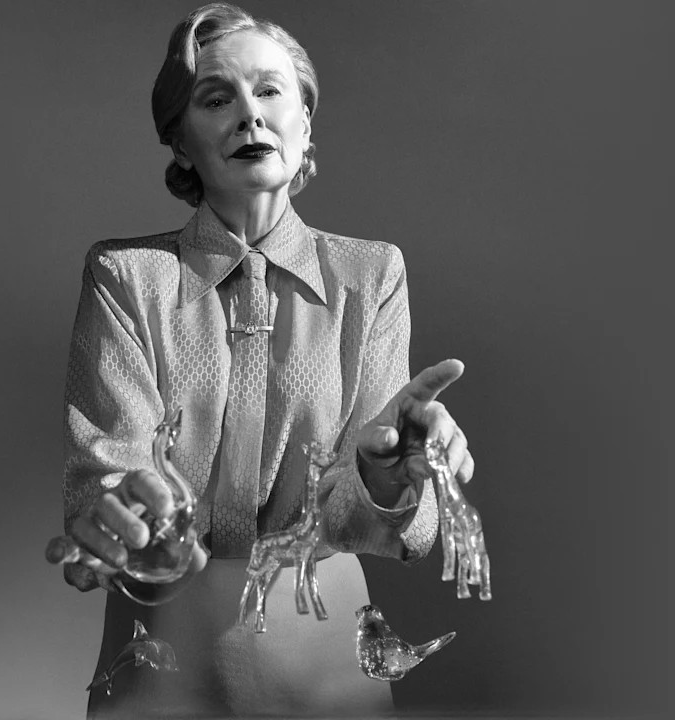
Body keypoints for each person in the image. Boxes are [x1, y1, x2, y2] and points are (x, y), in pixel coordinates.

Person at [57, 4, 475, 717]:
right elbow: (109, 472)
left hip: (326, 672)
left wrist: (385, 479)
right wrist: (122, 517)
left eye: (270, 91)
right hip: (162, 661)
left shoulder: (370, 276)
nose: (250, 113)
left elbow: (367, 520)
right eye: (217, 98)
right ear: (180, 141)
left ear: (304, 123)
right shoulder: (126, 278)